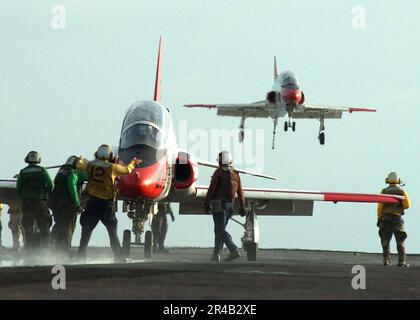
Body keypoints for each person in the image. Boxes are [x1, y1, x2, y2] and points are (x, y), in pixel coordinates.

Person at [75, 144, 141, 262]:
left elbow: (78, 165)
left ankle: (80, 256)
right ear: (109, 155)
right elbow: (127, 170)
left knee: (86, 230)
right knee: (112, 232)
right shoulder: (113, 167)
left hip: (92, 203)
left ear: (97, 154)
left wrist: (79, 158)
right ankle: (119, 257)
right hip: (107, 205)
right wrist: (133, 162)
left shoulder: (90, 165)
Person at [203, 151, 246, 262]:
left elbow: (212, 188)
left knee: (219, 230)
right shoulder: (236, 174)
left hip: (219, 205)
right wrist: (242, 206)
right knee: (220, 230)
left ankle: (233, 250)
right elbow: (241, 192)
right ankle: (216, 255)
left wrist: (206, 202)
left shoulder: (219, 172)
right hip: (230, 206)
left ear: (221, 161)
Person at [50, 156, 87, 256]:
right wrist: (77, 205)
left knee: (58, 224)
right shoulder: (73, 174)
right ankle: (65, 250)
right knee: (69, 226)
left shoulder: (61, 172)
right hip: (68, 205)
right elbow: (73, 189)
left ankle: (53, 247)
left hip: (56, 204)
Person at [17, 151, 53, 252]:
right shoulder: (42, 170)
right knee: (44, 226)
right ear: (39, 160)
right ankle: (46, 251)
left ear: (27, 160)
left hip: (27, 203)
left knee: (28, 227)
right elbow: (51, 184)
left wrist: (25, 197)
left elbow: (18, 188)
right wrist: (47, 194)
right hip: (41, 202)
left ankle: (29, 252)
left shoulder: (22, 172)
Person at [377, 172, 411, 267]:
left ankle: (386, 261)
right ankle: (401, 261)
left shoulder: (384, 191)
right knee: (400, 240)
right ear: (398, 180)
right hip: (397, 218)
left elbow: (380, 206)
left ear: (387, 180)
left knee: (385, 240)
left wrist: (379, 218)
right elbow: (407, 205)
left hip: (385, 218)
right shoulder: (401, 191)